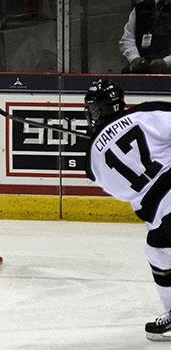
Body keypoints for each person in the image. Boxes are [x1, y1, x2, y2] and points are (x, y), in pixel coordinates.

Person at [84, 79, 171, 341]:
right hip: (163, 212)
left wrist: (100, 145)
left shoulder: (92, 158)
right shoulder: (144, 113)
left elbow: (116, 188)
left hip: (161, 211)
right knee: (156, 249)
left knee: (159, 252)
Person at [119, 0, 171, 74]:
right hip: (142, 68)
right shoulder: (140, 8)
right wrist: (134, 58)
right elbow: (127, 38)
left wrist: (165, 62)